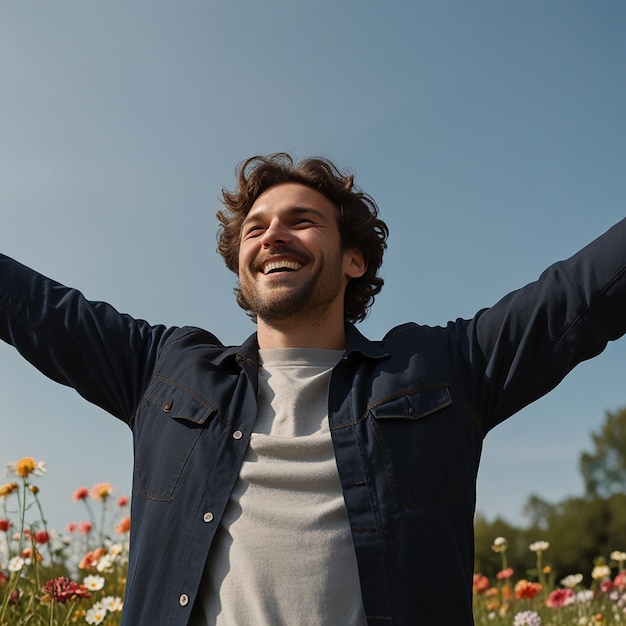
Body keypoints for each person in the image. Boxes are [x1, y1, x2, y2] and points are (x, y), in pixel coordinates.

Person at [1, 152, 625, 625]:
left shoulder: (443, 369)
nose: (272, 235)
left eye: (302, 221)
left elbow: (583, 295)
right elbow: (31, 305)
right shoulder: (161, 369)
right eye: (255, 228)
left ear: (354, 259)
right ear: (241, 271)